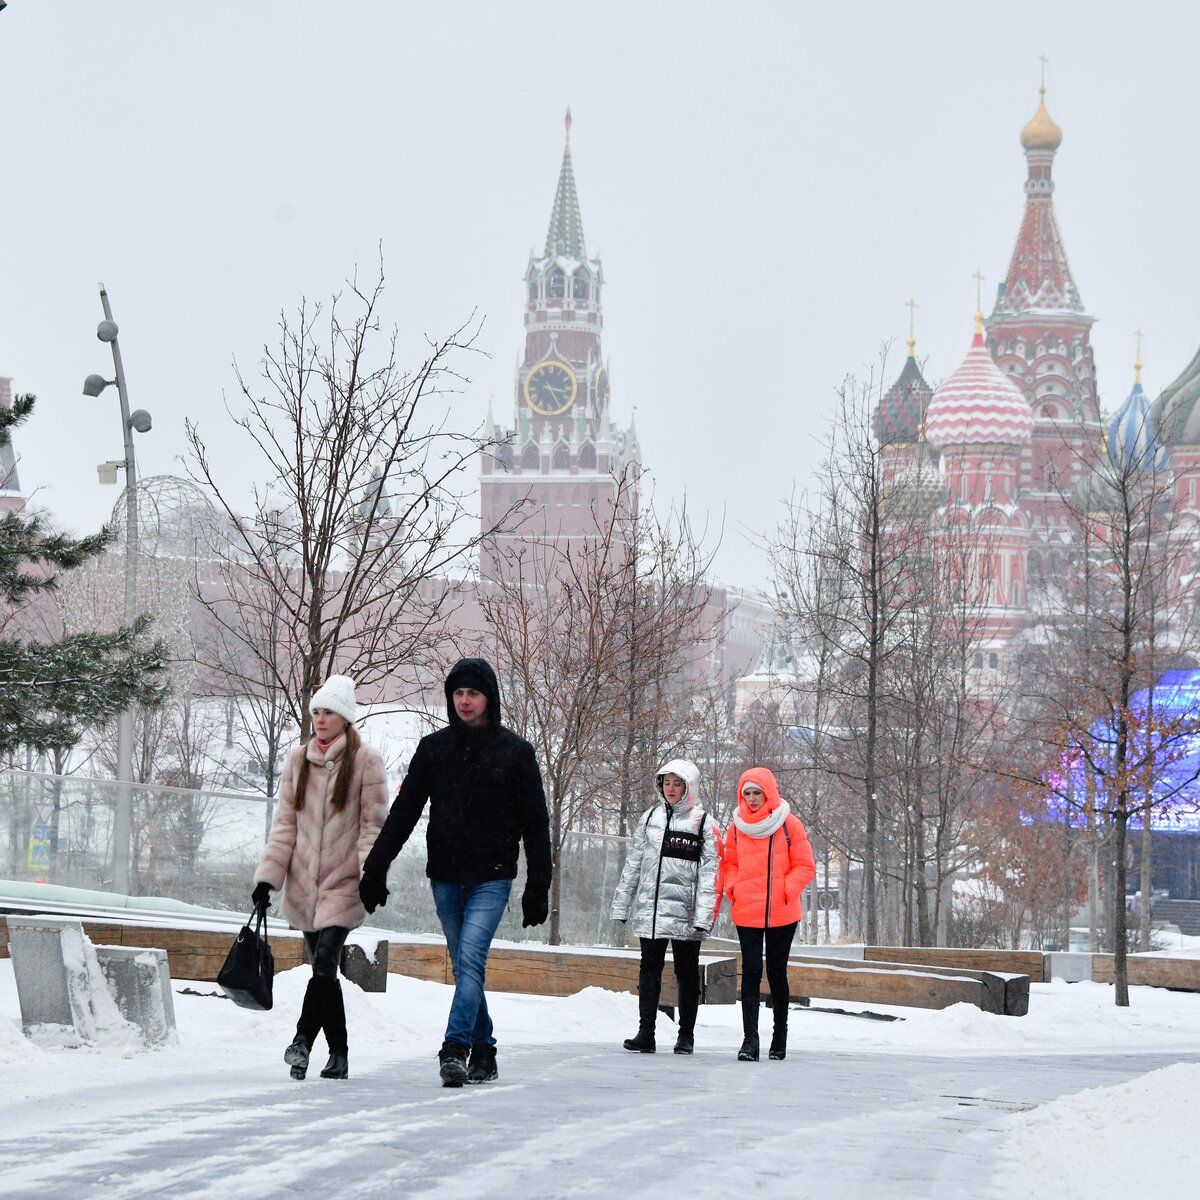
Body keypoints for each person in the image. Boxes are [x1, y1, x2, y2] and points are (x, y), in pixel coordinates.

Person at [358, 657, 551, 1088]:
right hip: (445, 875)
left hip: (493, 875)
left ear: (489, 699)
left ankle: (454, 1048)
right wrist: (376, 867)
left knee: (468, 960)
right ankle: (485, 1049)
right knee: (467, 969)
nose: (464, 701)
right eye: (458, 693)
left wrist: (538, 885)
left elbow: (536, 823)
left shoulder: (516, 753)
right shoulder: (434, 749)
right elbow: (404, 811)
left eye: (473, 693)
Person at [251, 674, 388, 1081]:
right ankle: (340, 1055)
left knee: (326, 960)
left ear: (345, 717)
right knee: (323, 973)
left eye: (328, 712)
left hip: (345, 883)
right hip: (303, 885)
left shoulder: (366, 761)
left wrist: (371, 876)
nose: (321, 719)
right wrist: (267, 880)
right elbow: (284, 826)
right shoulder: (298, 760)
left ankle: (302, 1042)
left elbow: (372, 827)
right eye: (316, 712)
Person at [609, 759, 720, 1055]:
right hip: (651, 912)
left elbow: (711, 873)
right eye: (666, 783)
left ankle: (686, 1036)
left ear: (689, 786)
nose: (671, 789)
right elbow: (633, 863)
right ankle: (646, 1033)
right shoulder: (649, 818)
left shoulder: (703, 822)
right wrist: (622, 904)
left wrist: (704, 915)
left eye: (677, 783)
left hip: (686, 914)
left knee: (686, 974)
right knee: (649, 971)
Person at [723, 766, 815, 1062]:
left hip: (782, 912)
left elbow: (805, 865)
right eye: (746, 793)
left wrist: (786, 889)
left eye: (757, 793)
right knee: (750, 973)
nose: (751, 799)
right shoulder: (736, 826)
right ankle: (750, 1040)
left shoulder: (789, 824)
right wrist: (733, 887)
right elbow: (730, 864)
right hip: (747, 910)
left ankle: (779, 1038)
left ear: (769, 793)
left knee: (777, 973)